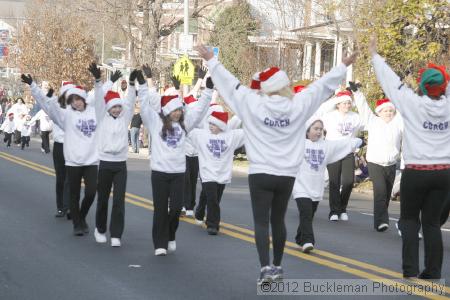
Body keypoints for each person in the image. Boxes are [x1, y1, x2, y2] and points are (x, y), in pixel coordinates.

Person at [196, 44, 357, 283]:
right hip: (286, 175)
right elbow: (321, 87)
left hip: (261, 172)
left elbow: (230, 85)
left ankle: (265, 268)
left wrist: (211, 60)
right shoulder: (298, 103)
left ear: (265, 87)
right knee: (278, 220)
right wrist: (343, 65)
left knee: (261, 222)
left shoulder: (252, 103)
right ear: (284, 86)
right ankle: (278, 266)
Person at [370, 36, 450, 279]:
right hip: (444, 172)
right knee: (433, 223)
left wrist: (375, 55)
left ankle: (410, 269)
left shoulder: (411, 103)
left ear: (423, 87)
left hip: (416, 171)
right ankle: (434, 270)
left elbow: (390, 82)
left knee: (409, 220)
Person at [138, 68, 213, 256]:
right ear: (168, 111)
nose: (178, 113)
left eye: (180, 110)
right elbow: (145, 107)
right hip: (160, 173)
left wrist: (208, 91)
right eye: (175, 110)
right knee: (160, 209)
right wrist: (144, 84)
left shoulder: (185, 125)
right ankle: (159, 243)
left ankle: (171, 234)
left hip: (178, 173)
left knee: (175, 210)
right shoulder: (156, 123)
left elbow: (199, 110)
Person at [22, 63, 102, 236]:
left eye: (78, 98)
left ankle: (79, 216)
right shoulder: (63, 114)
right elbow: (46, 104)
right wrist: (33, 86)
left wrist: (98, 80)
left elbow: (98, 96)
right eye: (72, 99)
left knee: (90, 192)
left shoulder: (93, 111)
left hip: (89, 159)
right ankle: (71, 218)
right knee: (67, 186)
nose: (75, 101)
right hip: (68, 154)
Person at [293, 119, 361, 253]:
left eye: (320, 129)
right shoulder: (298, 144)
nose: (318, 131)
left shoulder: (326, 146)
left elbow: (342, 144)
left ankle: (300, 237)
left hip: (316, 188)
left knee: (309, 215)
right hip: (300, 186)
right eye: (315, 128)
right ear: (307, 131)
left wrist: (357, 141)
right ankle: (308, 240)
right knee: (306, 213)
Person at [352, 83, 403, 232]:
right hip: (375, 163)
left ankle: (379, 220)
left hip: (391, 164)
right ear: (379, 112)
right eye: (385, 111)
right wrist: (357, 92)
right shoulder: (373, 121)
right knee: (380, 192)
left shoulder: (398, 122)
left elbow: (403, 105)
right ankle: (382, 220)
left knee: (386, 194)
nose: (388, 113)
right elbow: (363, 108)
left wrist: (399, 87)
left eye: (390, 111)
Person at [94, 70, 137, 248]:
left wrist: (133, 85)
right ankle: (100, 229)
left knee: (119, 200)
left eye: (119, 107)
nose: (117, 109)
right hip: (104, 163)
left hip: (120, 164)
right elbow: (98, 98)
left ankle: (116, 234)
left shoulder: (124, 117)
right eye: (114, 107)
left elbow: (130, 101)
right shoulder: (101, 117)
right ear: (107, 107)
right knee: (103, 198)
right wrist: (101, 82)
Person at [189, 111, 245, 235]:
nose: (210, 126)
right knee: (213, 199)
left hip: (223, 174)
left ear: (221, 126)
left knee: (214, 198)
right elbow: (186, 129)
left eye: (214, 124)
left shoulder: (232, 136)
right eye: (210, 123)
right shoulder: (202, 135)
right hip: (207, 173)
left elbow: (250, 131)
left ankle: (199, 211)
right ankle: (212, 225)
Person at [321, 90, 362, 221]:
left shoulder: (355, 117)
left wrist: (358, 141)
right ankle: (334, 211)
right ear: (338, 104)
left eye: (349, 103)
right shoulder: (329, 116)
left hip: (348, 152)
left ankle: (342, 208)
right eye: (344, 103)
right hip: (333, 152)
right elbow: (321, 110)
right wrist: (334, 98)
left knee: (349, 182)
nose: (347, 105)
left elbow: (366, 123)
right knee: (334, 182)